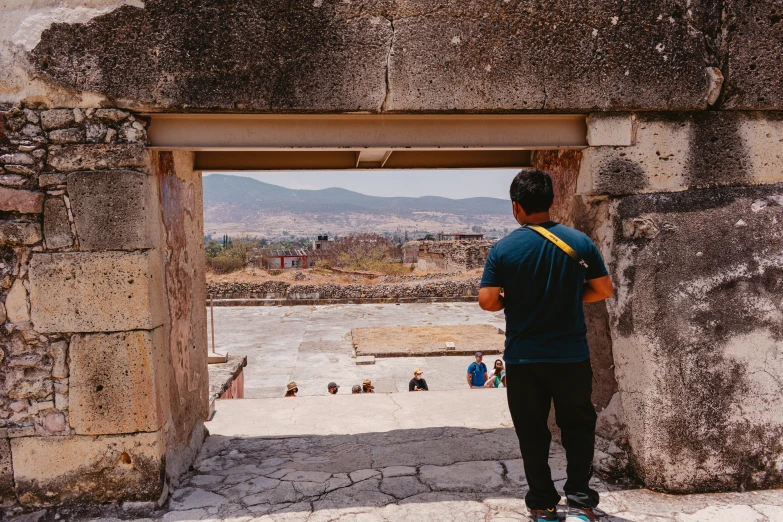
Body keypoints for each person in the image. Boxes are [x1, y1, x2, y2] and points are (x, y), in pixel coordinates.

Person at [478, 169, 613, 522]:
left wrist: (515, 301)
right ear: (552, 202)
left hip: (524, 359)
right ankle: (582, 503)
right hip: (571, 357)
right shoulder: (579, 242)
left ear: (515, 207)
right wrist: (568, 298)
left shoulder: (503, 248)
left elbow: (488, 301)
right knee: (578, 427)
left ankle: (543, 505)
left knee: (532, 431)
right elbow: (603, 290)